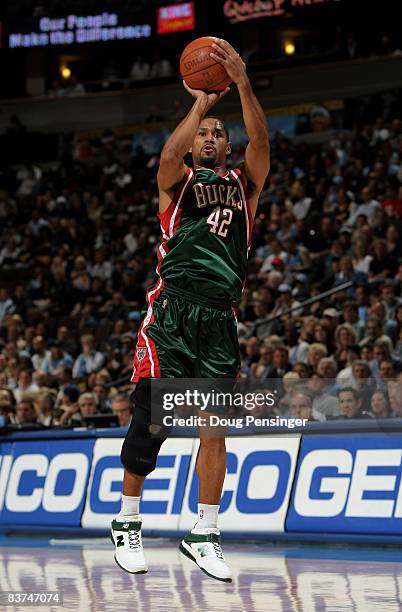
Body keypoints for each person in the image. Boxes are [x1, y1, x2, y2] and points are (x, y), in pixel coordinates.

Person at [112, 38, 269, 582]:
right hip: (174, 311)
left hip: (220, 318)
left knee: (214, 432)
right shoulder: (175, 186)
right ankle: (128, 521)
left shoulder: (245, 186)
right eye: (204, 133)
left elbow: (262, 141)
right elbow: (165, 157)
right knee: (152, 423)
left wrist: (242, 84)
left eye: (218, 132)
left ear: (227, 146)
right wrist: (201, 102)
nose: (210, 137)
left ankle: (204, 533)